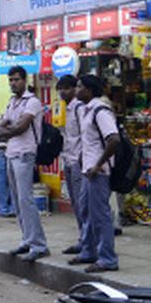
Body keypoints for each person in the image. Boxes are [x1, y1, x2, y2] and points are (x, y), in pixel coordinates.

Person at [0, 66, 49, 262]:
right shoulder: (12, 102)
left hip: (25, 153)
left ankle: (39, 244)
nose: (13, 83)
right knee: (18, 201)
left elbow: (22, 126)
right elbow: (4, 125)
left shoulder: (33, 102)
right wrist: (9, 129)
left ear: (24, 80)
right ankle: (27, 239)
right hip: (11, 153)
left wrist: (8, 130)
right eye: (10, 80)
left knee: (26, 200)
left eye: (16, 79)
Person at [69, 75, 119, 273]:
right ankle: (89, 250)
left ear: (89, 90)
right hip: (88, 169)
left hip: (98, 172)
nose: (76, 89)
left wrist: (98, 165)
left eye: (80, 86)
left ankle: (107, 258)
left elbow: (113, 139)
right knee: (86, 211)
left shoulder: (100, 110)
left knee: (100, 216)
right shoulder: (86, 111)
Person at [57, 74, 86, 256]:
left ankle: (88, 241)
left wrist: (83, 159)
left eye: (66, 88)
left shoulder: (79, 108)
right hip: (68, 159)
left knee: (82, 204)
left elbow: (86, 135)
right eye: (60, 88)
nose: (62, 92)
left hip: (78, 161)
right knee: (75, 203)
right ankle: (83, 238)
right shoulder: (66, 109)